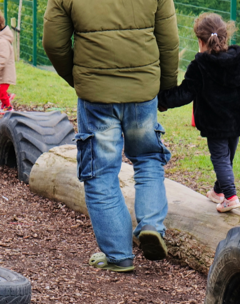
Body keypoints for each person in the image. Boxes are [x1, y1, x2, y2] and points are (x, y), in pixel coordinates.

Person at [43, 0, 179, 272]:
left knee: (100, 172)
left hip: (96, 95)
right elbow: (169, 41)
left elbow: (53, 43)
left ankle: (119, 256)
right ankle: (151, 224)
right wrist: (166, 88)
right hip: (142, 91)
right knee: (148, 158)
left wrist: (79, 77)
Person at [158, 13, 240, 213]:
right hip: (238, 120)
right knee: (228, 156)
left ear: (200, 41)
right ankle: (218, 191)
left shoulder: (200, 65)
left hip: (214, 122)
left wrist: (161, 100)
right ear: (225, 37)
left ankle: (231, 197)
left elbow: (184, 93)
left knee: (220, 157)